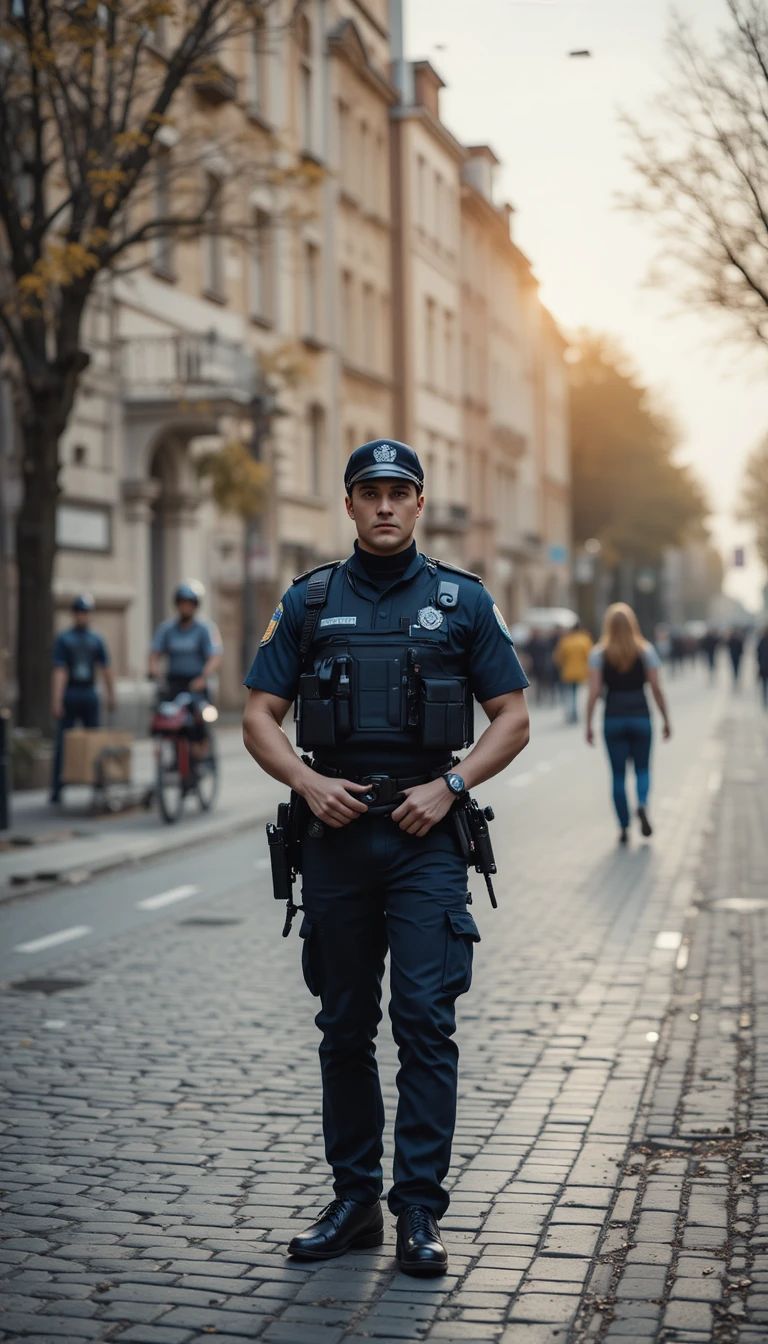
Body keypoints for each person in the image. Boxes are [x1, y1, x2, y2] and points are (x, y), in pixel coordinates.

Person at [242, 439, 530, 1276]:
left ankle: (420, 1211)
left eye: (399, 492)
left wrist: (451, 784)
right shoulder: (309, 600)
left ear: (419, 503)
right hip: (334, 840)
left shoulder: (461, 600)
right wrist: (304, 782)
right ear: (349, 504)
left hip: (424, 841)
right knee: (343, 1026)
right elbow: (258, 714)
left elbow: (513, 716)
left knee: (425, 1022)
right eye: (369, 492)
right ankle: (354, 1202)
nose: (384, 506)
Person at [585, 602, 671, 845]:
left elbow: (594, 692)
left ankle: (623, 827)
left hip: (613, 718)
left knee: (618, 776)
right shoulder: (646, 651)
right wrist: (666, 719)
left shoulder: (599, 654)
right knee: (643, 769)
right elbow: (656, 688)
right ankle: (642, 804)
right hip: (641, 716)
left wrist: (588, 723)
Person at [50, 595, 115, 804]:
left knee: (95, 741)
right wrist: (57, 700)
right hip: (71, 693)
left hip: (89, 693)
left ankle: (98, 784)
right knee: (63, 742)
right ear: (74, 614)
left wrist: (111, 695)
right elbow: (60, 671)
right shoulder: (64, 639)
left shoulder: (96, 639)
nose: (82, 616)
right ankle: (57, 787)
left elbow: (106, 669)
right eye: (79, 612)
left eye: (85, 612)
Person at [149, 582, 222, 701]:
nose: (186, 607)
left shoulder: (205, 629)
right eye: (182, 603)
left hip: (197, 682)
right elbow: (154, 653)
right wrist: (155, 672)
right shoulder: (167, 629)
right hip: (173, 682)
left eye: (189, 604)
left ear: (195, 605)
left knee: (204, 710)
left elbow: (214, 657)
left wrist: (203, 677)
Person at [554, 620, 593, 724]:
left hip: (568, 672)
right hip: (581, 672)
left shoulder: (566, 641)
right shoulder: (585, 640)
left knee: (569, 693)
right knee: (577, 693)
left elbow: (558, 657)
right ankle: (575, 713)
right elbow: (589, 656)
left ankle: (571, 713)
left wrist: (562, 665)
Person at [757, 627, 768, 709]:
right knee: (764, 684)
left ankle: (764, 699)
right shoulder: (762, 641)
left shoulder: (762, 641)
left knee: (764, 685)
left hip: (764, 666)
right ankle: (764, 699)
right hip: (764, 666)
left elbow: (758, 654)